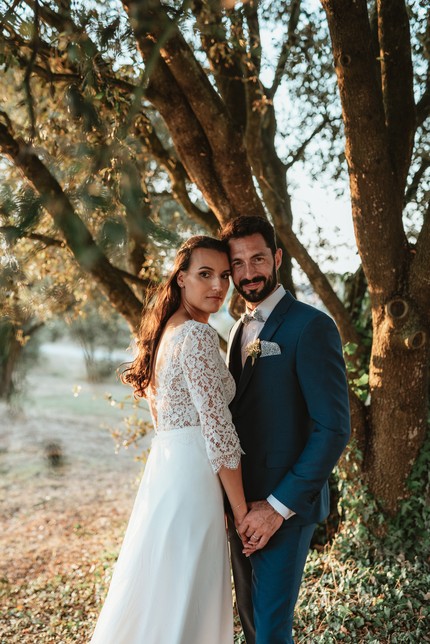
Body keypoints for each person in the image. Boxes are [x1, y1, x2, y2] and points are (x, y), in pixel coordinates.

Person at [90, 236, 254, 644]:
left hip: (166, 474)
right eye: (204, 274)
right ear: (181, 279)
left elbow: (162, 418)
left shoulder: (167, 333)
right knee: (186, 593)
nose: (217, 285)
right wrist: (240, 511)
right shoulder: (196, 337)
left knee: (163, 589)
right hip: (195, 481)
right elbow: (219, 431)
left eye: (224, 275)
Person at [220, 216, 351, 644]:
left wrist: (275, 509)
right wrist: (234, 505)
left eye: (257, 258)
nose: (248, 272)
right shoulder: (239, 328)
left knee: (271, 631)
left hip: (283, 512)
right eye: (237, 263)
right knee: (253, 622)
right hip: (239, 509)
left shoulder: (311, 326)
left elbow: (333, 429)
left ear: (276, 258)